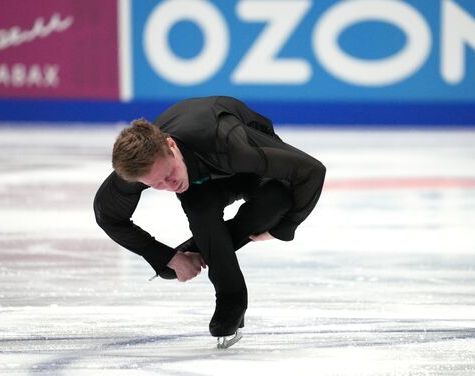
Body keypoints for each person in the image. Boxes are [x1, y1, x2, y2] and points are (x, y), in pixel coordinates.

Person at [93, 96, 325, 344]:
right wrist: (167, 257)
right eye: (156, 184)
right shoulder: (138, 170)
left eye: (169, 174)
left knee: (275, 204)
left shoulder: (230, 145)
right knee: (202, 212)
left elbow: (311, 171)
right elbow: (107, 215)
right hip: (201, 182)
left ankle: (201, 248)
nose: (169, 185)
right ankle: (231, 299)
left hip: (242, 163)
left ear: (171, 145)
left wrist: (285, 227)